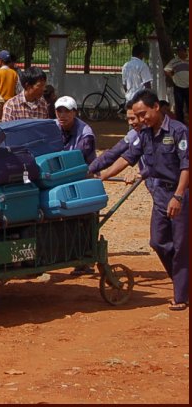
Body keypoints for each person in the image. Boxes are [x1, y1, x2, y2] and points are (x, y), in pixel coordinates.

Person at [98, 90, 188, 311]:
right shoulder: (146, 133)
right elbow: (128, 157)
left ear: (156, 107)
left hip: (180, 194)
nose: (140, 119)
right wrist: (102, 175)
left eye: (142, 114)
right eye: (136, 115)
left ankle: (181, 296)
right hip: (160, 195)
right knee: (158, 242)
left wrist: (178, 196)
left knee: (181, 246)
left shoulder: (178, 131)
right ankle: (183, 285)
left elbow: (187, 166)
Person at [88, 109, 145, 178]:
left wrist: (104, 176)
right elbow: (115, 153)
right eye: (128, 119)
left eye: (133, 118)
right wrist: (89, 170)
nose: (129, 122)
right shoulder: (134, 134)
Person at [54, 96, 96, 165]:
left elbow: (77, 158)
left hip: (82, 170)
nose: (62, 115)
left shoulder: (85, 134)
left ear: (74, 113)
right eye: (59, 111)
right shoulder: (51, 127)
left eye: (67, 111)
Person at [121, 44, 153, 110]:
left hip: (129, 99)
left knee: (132, 119)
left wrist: (128, 94)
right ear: (142, 54)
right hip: (140, 100)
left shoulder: (125, 65)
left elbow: (124, 85)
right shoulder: (142, 65)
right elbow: (147, 84)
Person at [164, 44, 189, 124]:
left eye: (181, 51)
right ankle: (180, 124)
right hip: (178, 87)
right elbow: (166, 70)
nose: (179, 53)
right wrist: (172, 76)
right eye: (178, 51)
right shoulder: (174, 61)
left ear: (185, 51)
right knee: (179, 107)